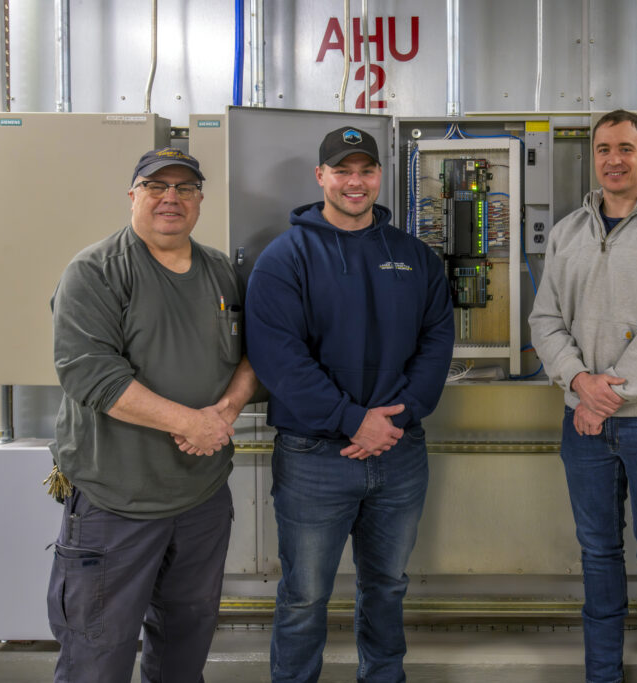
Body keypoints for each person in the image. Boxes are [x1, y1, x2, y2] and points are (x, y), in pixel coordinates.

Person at [245, 126, 455, 683]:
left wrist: (398, 417)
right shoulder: (284, 259)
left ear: (380, 177)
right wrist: (352, 421)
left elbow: (437, 343)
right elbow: (279, 358)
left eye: (365, 171)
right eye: (342, 171)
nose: (355, 182)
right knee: (304, 595)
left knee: (387, 586)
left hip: (399, 452)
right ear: (321, 178)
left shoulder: (415, 257)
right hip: (315, 457)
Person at [46, 147, 259, 682]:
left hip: (201, 499)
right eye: (156, 186)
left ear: (201, 200)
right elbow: (92, 375)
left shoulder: (220, 272)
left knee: (185, 648)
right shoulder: (95, 271)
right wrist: (190, 423)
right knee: (97, 655)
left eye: (184, 188)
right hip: (117, 500)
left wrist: (225, 412)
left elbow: (257, 353)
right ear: (133, 195)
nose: (171, 198)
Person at [529, 109, 637, 683]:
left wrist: (605, 396)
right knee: (598, 554)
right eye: (604, 149)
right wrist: (579, 382)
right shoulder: (567, 232)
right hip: (581, 420)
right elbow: (545, 318)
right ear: (593, 156)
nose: (614, 159)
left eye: (626, 148)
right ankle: (601, 673)